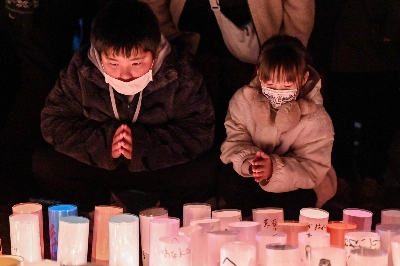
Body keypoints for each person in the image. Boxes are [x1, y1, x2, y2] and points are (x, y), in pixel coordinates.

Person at [33, 0, 218, 219]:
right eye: (113, 64)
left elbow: (200, 130)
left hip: (155, 167)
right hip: (102, 166)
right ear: (99, 54)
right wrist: (104, 143)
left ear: (155, 53)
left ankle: (163, 213)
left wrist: (142, 146)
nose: (125, 74)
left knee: (206, 170)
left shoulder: (179, 72)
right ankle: (100, 208)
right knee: (45, 165)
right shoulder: (82, 70)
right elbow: (53, 121)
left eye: (137, 63)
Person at [219, 35, 337, 219]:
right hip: (254, 179)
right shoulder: (243, 100)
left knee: (297, 200)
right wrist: (251, 163)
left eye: (287, 85)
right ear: (259, 74)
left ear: (304, 78)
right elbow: (235, 139)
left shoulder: (317, 118)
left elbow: (313, 167)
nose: (278, 91)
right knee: (231, 180)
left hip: (296, 184)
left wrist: (274, 169)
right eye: (271, 84)